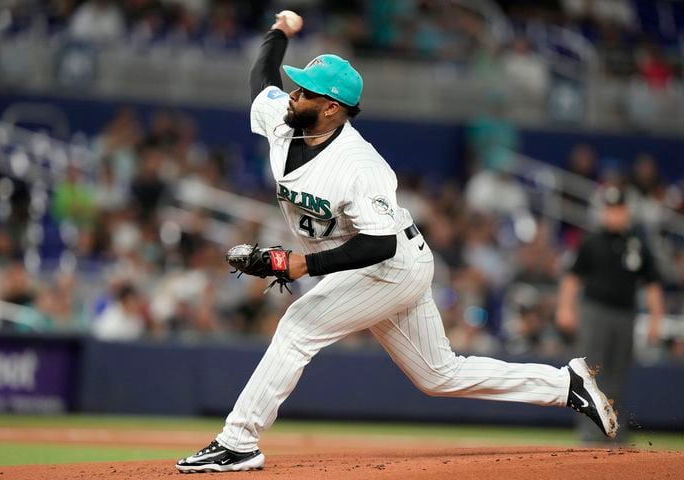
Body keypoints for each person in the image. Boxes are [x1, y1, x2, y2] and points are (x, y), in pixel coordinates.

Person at [176, 13, 619, 473]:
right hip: (371, 262)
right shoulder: (284, 119)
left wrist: (300, 266)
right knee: (438, 374)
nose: (294, 93)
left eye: (306, 90)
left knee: (298, 326)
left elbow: (379, 246)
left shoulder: (359, 165)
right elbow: (260, 77)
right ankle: (567, 384)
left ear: (331, 108)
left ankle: (239, 440)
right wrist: (280, 33)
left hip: (392, 264)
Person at [556, 185, 664, 444]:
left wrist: (656, 319)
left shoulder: (638, 245)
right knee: (590, 373)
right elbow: (572, 278)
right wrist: (565, 308)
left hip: (626, 315)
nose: (614, 215)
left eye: (619, 209)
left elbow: (652, 283)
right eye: (610, 209)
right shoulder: (592, 242)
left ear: (626, 212)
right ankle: (589, 433)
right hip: (595, 312)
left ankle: (615, 432)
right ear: (604, 211)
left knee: (618, 374)